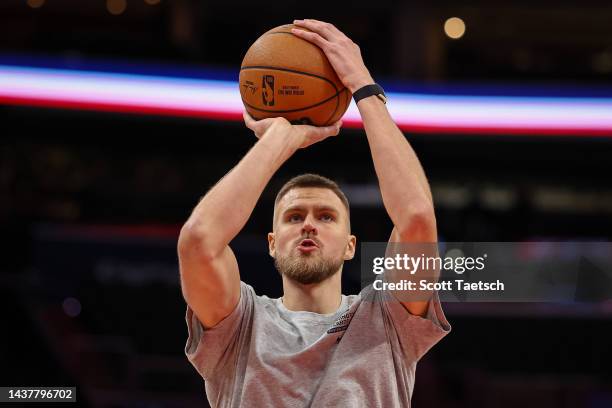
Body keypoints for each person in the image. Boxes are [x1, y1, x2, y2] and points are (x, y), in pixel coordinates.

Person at [178, 19, 450, 407]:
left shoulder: (386, 319)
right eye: (293, 217)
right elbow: (199, 240)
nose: (308, 223)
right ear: (272, 244)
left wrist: (363, 87)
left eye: (326, 216)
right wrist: (278, 139)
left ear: (351, 246)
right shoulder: (239, 324)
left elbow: (417, 218)